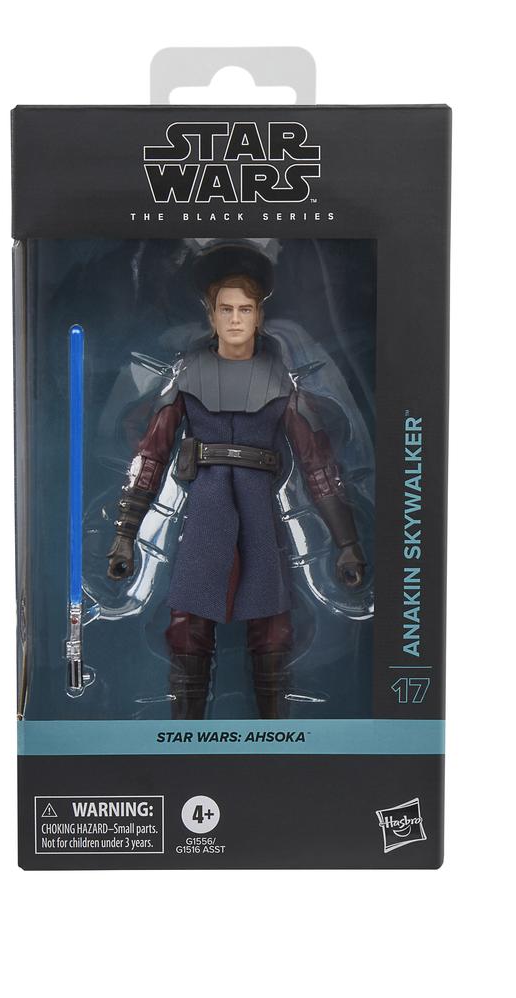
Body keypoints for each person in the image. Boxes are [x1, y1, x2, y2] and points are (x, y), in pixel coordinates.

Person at [107, 242, 366, 719]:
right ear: (210, 314)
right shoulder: (187, 376)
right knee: (188, 624)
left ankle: (274, 736)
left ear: (259, 315)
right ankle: (185, 736)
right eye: (225, 309)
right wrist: (126, 534)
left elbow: (317, 464)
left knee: (272, 624)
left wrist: (346, 541)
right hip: (205, 508)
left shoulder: (281, 380)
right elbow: (152, 455)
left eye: (244, 309)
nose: (234, 319)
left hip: (260, 513)